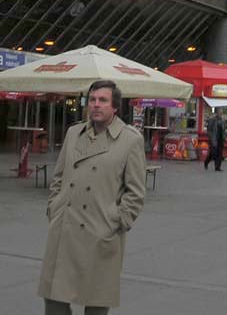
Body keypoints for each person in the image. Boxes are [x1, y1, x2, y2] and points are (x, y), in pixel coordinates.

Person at [38, 80, 146, 314]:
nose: (96, 105)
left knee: (96, 305)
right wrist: (54, 207)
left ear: (115, 106)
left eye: (103, 100)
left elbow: (136, 193)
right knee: (54, 303)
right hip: (65, 230)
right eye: (93, 100)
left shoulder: (130, 140)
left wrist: (116, 221)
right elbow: (58, 177)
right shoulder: (73, 133)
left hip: (101, 233)